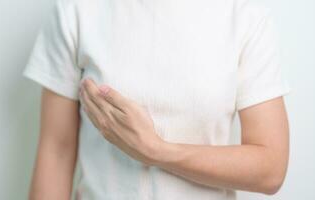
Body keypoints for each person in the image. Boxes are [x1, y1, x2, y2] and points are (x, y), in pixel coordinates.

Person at [22, 0, 293, 199]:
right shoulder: (77, 11)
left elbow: (269, 168)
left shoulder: (245, 18)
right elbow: (57, 151)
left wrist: (157, 151)